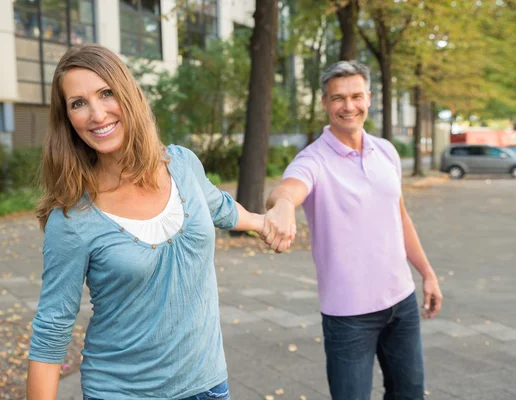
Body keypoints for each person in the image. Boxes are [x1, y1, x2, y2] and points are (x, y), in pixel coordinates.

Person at [26, 43, 265, 400]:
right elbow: (52, 330)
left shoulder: (183, 165)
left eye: (106, 93)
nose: (96, 113)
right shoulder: (72, 218)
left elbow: (223, 209)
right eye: (78, 103)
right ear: (68, 119)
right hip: (121, 392)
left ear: (130, 93)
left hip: (208, 386)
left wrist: (266, 223)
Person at [261, 61, 443, 399]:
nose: (348, 106)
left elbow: (399, 217)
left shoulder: (386, 151)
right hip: (349, 315)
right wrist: (284, 204)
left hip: (401, 303)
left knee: (411, 394)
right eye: (338, 98)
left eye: (356, 96)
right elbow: (287, 189)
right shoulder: (312, 160)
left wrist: (427, 273)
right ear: (325, 103)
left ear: (369, 98)